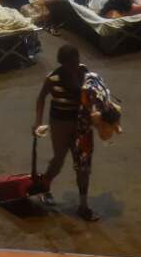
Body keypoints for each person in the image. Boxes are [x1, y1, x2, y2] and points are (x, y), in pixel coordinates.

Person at [32, 45, 98, 221]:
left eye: (74, 63)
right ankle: (44, 187)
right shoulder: (53, 78)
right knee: (59, 159)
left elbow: (93, 93)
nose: (71, 67)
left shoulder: (84, 72)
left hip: (81, 124)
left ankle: (83, 205)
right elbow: (41, 99)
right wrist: (38, 122)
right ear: (62, 64)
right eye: (67, 64)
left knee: (83, 163)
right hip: (60, 123)